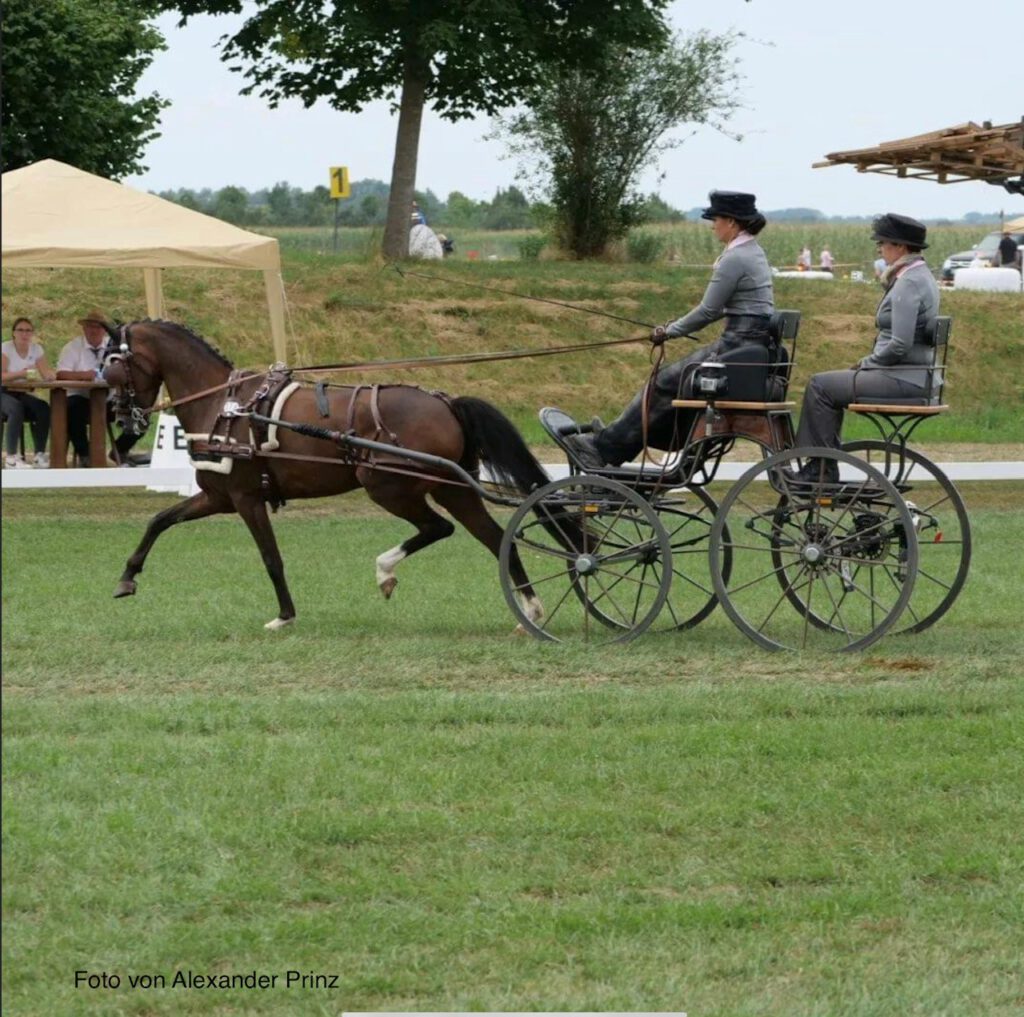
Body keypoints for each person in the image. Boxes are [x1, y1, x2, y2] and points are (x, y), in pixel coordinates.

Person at [565, 190, 774, 470]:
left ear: (733, 223)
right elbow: (727, 308)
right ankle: (618, 437)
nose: (713, 226)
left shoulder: (735, 258)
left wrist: (668, 331)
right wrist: (673, 327)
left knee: (661, 382)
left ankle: (606, 448)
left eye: (716, 219)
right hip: (746, 343)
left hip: (736, 347)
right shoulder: (753, 252)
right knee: (670, 381)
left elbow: (708, 311)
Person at [789, 213, 939, 485]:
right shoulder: (922, 275)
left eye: (882, 243)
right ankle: (824, 461)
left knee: (820, 386)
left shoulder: (908, 282)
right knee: (828, 384)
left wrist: (868, 362)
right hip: (915, 375)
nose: (880, 249)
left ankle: (821, 467)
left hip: (902, 377)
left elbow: (900, 344)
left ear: (900, 246)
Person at [56, 308, 144, 466]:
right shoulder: (72, 347)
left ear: (105, 330)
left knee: (140, 413)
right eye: (90, 326)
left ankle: (120, 449)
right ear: (84, 328)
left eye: (98, 327)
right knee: (72, 411)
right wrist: (84, 375)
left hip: (109, 398)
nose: (94, 330)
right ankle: (85, 454)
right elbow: (61, 374)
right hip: (80, 396)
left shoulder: (115, 348)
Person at [2, 317, 54, 468]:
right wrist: (21, 374)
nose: (24, 334)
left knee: (43, 408)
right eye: (20, 330)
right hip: (3, 391)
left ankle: (39, 454)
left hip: (21, 391)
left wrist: (51, 376)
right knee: (16, 408)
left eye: (28, 331)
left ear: (32, 333)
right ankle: (11, 457)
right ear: (13, 333)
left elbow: (45, 374)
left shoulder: (36, 349)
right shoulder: (5, 348)